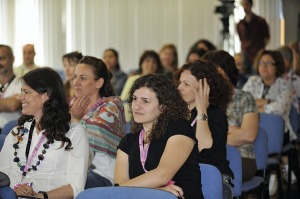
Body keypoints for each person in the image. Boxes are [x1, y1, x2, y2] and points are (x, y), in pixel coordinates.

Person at [0, 67, 89, 198]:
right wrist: (14, 190)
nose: (20, 97)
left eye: (26, 92)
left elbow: (76, 186)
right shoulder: (16, 133)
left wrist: (41, 196)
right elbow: (2, 174)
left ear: (45, 96)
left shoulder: (74, 133)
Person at [115, 74, 203, 199]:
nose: (136, 106)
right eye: (134, 99)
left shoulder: (180, 129)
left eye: (145, 101)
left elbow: (162, 175)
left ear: (163, 106)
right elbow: (119, 188)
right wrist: (157, 190)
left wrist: (123, 188)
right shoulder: (128, 141)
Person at [175, 60, 234, 198]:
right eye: (180, 82)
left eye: (186, 84)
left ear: (204, 88)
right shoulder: (176, 115)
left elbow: (202, 148)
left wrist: (202, 109)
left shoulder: (216, 115)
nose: (179, 88)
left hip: (213, 179)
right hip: (182, 178)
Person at [242, 50, 296, 195]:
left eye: (268, 63)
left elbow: (280, 108)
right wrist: (268, 101)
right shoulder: (252, 81)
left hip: (279, 133)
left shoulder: (284, 84)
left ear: (277, 66)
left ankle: (270, 173)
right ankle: (260, 175)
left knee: (271, 125)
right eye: (261, 63)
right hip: (253, 131)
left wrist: (256, 106)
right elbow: (242, 103)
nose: (263, 66)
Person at [203, 50, 259, 183]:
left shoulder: (245, 97)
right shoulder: (203, 100)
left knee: (209, 177)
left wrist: (214, 137)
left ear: (223, 72)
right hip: (209, 158)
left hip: (241, 157)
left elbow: (248, 135)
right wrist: (230, 130)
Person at [70, 56, 125, 187]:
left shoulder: (112, 106)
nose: (76, 82)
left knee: (67, 183)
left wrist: (76, 120)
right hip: (76, 170)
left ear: (98, 83)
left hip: (102, 174)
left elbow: (87, 141)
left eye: (82, 78)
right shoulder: (72, 107)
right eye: (75, 77)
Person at [121, 50, 163, 122]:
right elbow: (123, 100)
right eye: (147, 61)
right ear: (141, 63)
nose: (150, 64)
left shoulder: (161, 82)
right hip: (132, 119)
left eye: (154, 62)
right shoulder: (132, 79)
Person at [237, 0, 270, 75]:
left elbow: (266, 38)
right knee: (243, 76)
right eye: (243, 4)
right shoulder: (240, 24)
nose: (245, 7)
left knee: (256, 75)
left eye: (247, 4)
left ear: (251, 5)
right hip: (245, 55)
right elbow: (241, 39)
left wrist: (260, 50)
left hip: (257, 54)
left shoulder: (260, 21)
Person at [0, 45, 21, 131]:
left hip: (10, 131)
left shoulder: (22, 82)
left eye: (2, 58)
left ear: (12, 59)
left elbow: (14, 105)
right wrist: (7, 102)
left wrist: (12, 102)